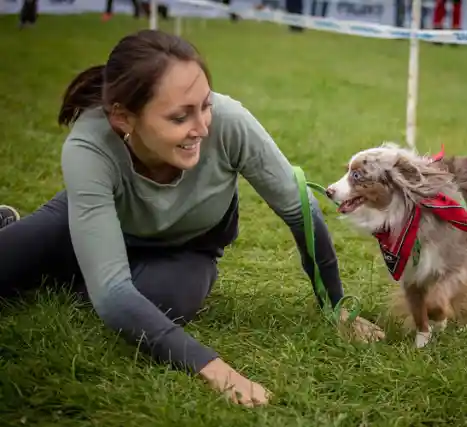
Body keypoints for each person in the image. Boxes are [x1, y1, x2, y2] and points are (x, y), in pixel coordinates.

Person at [0, 29, 385, 407]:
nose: (201, 127)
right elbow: (113, 294)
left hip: (184, 250)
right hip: (84, 223)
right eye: (179, 117)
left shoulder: (230, 122)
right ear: (124, 118)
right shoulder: (89, 146)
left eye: (205, 104)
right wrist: (216, 370)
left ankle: (84, 267)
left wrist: (336, 307)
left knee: (161, 303)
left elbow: (301, 210)